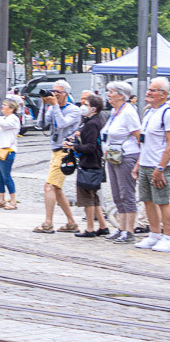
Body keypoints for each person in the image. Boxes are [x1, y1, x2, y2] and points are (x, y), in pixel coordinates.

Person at [34, 80, 80, 234]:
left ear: (66, 94)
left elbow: (61, 124)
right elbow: (40, 124)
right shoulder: (52, 108)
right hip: (55, 151)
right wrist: (44, 105)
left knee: (49, 186)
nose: (55, 94)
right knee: (57, 189)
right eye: (53, 91)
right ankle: (71, 223)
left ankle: (48, 223)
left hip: (65, 153)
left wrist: (54, 105)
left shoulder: (74, 110)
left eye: (58, 92)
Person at [101, 80, 142, 244]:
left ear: (120, 95)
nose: (108, 95)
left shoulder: (129, 112)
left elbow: (139, 137)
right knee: (117, 194)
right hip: (114, 156)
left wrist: (138, 163)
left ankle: (129, 231)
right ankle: (121, 228)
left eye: (111, 92)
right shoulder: (114, 111)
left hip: (127, 156)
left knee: (127, 193)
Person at [65, 94, 109, 237]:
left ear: (93, 109)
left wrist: (73, 146)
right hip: (96, 162)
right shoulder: (97, 119)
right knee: (94, 196)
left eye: (86, 104)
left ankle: (90, 228)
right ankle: (103, 226)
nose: (83, 106)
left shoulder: (91, 123)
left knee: (87, 197)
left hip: (89, 163)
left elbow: (90, 147)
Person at [133, 77, 170, 251]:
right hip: (145, 163)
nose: (148, 93)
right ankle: (154, 234)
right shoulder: (149, 112)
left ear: (163, 94)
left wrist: (160, 167)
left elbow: (169, 144)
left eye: (153, 90)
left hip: (159, 166)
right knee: (147, 200)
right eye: (149, 89)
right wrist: (138, 164)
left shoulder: (167, 113)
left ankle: (167, 236)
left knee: (163, 201)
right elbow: (144, 142)